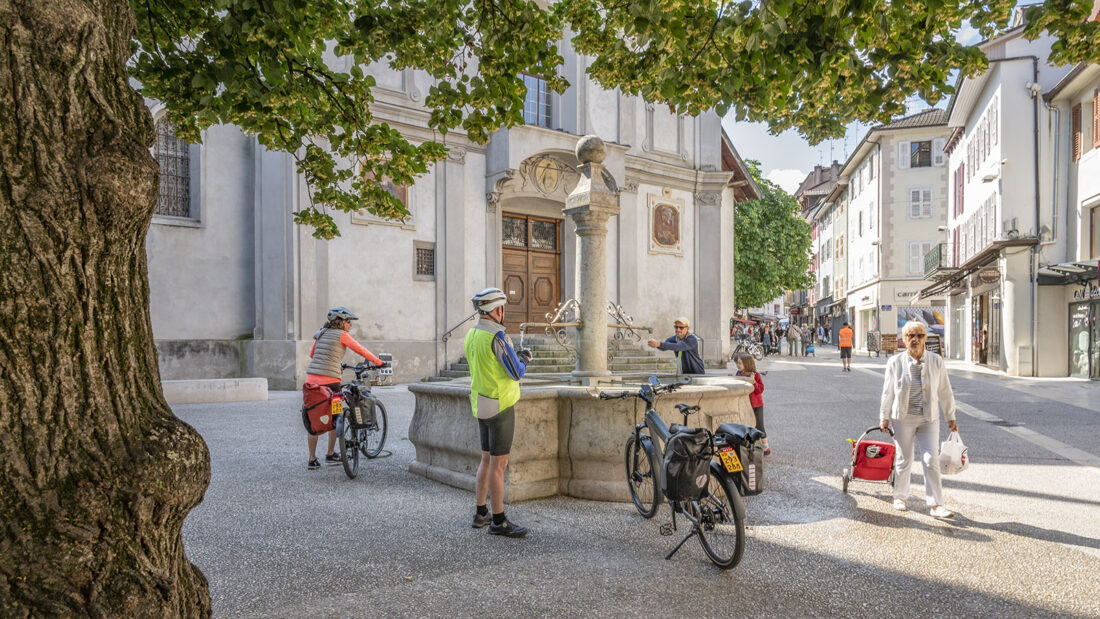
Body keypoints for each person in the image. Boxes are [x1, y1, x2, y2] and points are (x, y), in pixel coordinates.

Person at [465, 287, 532, 538]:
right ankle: (498, 520)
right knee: (499, 464)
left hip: (480, 403)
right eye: (503, 308)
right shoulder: (497, 336)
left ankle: (481, 513)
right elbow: (515, 372)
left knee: (485, 458)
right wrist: (524, 359)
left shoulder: (472, 334)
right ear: (497, 310)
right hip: (501, 406)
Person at [879, 320, 958, 519]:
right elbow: (887, 392)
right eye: (910, 336)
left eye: (920, 336)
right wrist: (884, 417)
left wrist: (950, 415)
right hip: (903, 417)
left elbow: (945, 391)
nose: (915, 339)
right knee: (904, 458)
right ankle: (900, 496)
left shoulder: (936, 361)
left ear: (925, 338)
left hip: (928, 418)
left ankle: (936, 504)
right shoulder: (895, 362)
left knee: (931, 459)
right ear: (904, 339)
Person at [304, 307, 384, 470]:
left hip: (311, 382)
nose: (350, 325)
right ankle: (331, 454)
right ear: (340, 322)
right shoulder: (342, 335)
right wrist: (379, 362)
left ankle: (312, 459)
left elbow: (313, 354)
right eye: (348, 322)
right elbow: (360, 350)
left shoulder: (320, 333)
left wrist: (331, 359)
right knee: (336, 414)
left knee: (314, 417)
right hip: (332, 384)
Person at [735, 353, 769, 455]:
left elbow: (760, 389)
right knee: (747, 425)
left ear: (747, 363)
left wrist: (754, 381)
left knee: (759, 425)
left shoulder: (756, 375)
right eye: (737, 363)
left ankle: (766, 447)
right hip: (745, 404)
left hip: (756, 405)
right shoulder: (739, 374)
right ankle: (751, 446)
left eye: (739, 363)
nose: (737, 365)